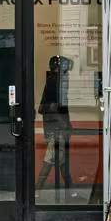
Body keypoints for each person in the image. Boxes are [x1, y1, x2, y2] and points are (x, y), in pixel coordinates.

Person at [37, 55, 73, 191]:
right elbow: (49, 107)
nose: (67, 71)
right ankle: (37, 190)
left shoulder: (54, 81)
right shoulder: (55, 82)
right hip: (56, 129)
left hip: (55, 128)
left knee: (61, 160)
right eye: (65, 67)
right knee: (52, 159)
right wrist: (63, 123)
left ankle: (70, 190)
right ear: (58, 67)